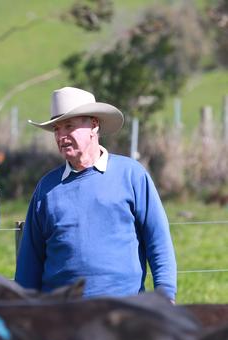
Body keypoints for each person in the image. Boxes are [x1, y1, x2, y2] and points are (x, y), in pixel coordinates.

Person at [15, 86, 177, 301]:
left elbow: (158, 240)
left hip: (124, 311)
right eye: (57, 129)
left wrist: (165, 297)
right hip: (62, 314)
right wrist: (22, 310)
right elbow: (30, 260)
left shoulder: (131, 175)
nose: (61, 136)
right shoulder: (47, 188)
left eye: (69, 126)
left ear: (94, 125)